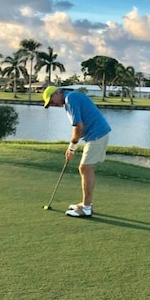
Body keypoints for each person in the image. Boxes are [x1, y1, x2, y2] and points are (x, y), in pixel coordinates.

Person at [43, 86, 111, 218]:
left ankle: (86, 208)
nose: (53, 105)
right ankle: (86, 204)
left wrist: (72, 147)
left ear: (57, 93)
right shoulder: (70, 99)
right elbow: (79, 127)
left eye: (51, 101)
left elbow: (78, 127)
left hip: (97, 134)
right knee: (85, 168)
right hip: (95, 134)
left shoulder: (71, 99)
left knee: (85, 168)